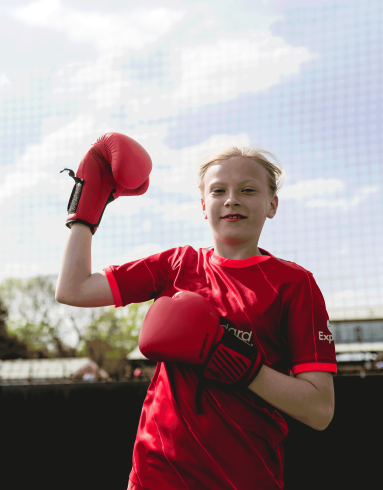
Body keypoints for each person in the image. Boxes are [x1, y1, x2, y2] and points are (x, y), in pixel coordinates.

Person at [55, 133, 337, 490]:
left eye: (248, 190)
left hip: (245, 479)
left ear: (272, 204)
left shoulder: (294, 284)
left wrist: (238, 364)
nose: (231, 200)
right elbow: (73, 289)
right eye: (218, 191)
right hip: (154, 477)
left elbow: (320, 410)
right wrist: (86, 205)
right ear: (203, 205)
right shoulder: (176, 265)